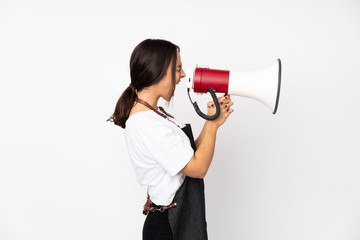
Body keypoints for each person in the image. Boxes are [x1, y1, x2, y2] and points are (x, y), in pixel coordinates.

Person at [108, 39, 233, 240]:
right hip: (168, 226)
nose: (182, 75)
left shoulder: (154, 115)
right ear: (158, 71)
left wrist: (214, 123)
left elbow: (189, 157)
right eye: (177, 69)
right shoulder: (146, 123)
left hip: (176, 219)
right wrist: (210, 125)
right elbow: (197, 168)